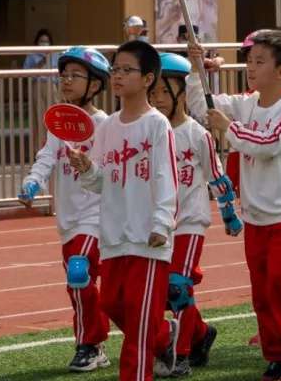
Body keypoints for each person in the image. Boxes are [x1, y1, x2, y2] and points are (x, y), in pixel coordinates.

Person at [188, 31, 281, 381]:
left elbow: (267, 143)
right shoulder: (247, 103)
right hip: (255, 216)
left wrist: (229, 129)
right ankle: (276, 355)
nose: (251, 67)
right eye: (249, 61)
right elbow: (202, 106)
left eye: (260, 61)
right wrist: (196, 68)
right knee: (261, 290)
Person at [68, 41, 178, 381]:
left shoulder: (157, 125)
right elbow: (101, 181)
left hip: (148, 238)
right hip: (114, 235)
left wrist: (162, 223)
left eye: (126, 70)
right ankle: (165, 335)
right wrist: (86, 167)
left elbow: (166, 178)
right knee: (112, 304)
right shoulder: (108, 127)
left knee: (139, 326)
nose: (117, 76)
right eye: (115, 69)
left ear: (147, 79)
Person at [19, 47, 113, 372]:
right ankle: (99, 343)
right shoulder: (59, 122)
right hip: (69, 218)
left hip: (97, 217)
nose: (67, 81)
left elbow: (109, 174)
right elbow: (47, 156)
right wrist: (33, 181)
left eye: (76, 75)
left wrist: (89, 165)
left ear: (96, 85)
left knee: (78, 272)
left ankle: (87, 344)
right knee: (79, 286)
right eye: (64, 75)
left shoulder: (106, 125)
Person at [150, 53, 238, 376]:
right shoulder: (151, 132)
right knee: (161, 294)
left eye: (164, 91)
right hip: (160, 224)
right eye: (153, 92)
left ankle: (180, 353)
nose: (158, 99)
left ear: (183, 93)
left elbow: (216, 173)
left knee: (178, 288)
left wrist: (229, 211)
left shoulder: (196, 134)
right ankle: (201, 333)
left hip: (190, 221)